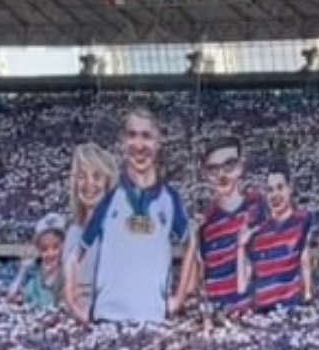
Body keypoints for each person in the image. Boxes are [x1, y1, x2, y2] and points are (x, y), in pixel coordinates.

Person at [75, 108, 189, 323]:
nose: (138, 144)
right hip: (106, 318)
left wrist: (179, 297)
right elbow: (78, 252)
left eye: (146, 136)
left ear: (158, 142)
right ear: (122, 141)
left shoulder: (170, 199)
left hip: (154, 318)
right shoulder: (109, 198)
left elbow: (191, 247)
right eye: (132, 135)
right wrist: (74, 303)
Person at [173, 136, 266, 315]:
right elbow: (196, 281)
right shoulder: (204, 222)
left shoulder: (259, 206)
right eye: (214, 169)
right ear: (206, 174)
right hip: (217, 310)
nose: (222, 175)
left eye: (229, 165)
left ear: (240, 166)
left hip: (252, 310)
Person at [239, 164, 314, 311]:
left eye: (280, 187)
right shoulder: (257, 232)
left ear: (289, 189)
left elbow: (305, 261)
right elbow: (247, 273)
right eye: (270, 190)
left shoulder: (303, 220)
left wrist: (308, 295)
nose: (275, 195)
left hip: (290, 308)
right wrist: (241, 247)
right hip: (261, 311)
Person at [63, 144, 118, 322]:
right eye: (81, 176)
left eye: (96, 176)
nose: (89, 184)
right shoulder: (73, 233)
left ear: (108, 183)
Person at [8, 214, 67, 311]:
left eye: (55, 247)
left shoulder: (69, 274)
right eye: (45, 249)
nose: (50, 253)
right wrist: (23, 269)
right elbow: (11, 297)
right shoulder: (36, 280)